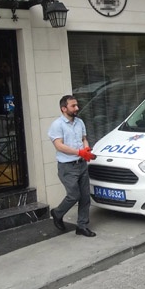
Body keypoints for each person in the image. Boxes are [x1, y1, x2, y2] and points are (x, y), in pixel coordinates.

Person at [48, 95, 98, 237]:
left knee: (85, 197)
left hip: (81, 164)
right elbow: (59, 146)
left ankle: (82, 226)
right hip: (67, 167)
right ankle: (57, 213)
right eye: (73, 106)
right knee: (74, 195)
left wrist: (86, 149)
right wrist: (79, 152)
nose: (77, 108)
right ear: (64, 108)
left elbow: (84, 139)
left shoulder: (79, 122)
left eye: (77, 105)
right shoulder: (57, 125)